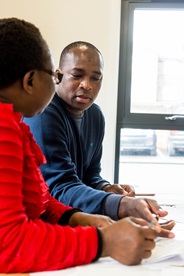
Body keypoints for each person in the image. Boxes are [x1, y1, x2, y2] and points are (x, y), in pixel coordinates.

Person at [0, 17, 175, 273]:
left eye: (96, 78)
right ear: (30, 81)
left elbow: (39, 201)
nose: (86, 85)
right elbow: (9, 245)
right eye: (54, 75)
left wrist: (79, 218)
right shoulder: (8, 129)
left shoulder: (16, 125)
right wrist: (104, 242)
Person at [24, 41, 174, 227]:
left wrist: (106, 188)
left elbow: (90, 175)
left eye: (96, 78)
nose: (86, 85)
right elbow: (59, 187)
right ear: (58, 76)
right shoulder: (44, 114)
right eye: (77, 75)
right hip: (47, 222)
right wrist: (120, 205)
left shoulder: (95, 115)